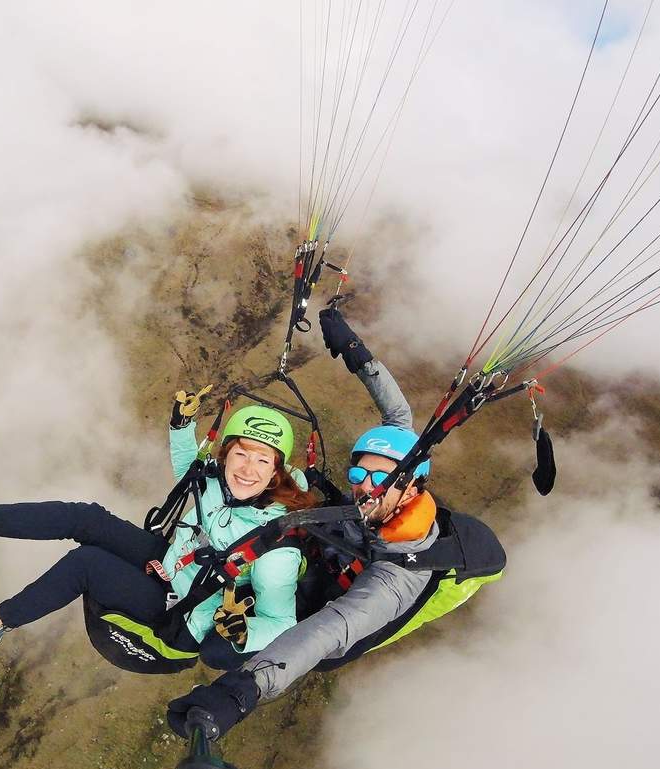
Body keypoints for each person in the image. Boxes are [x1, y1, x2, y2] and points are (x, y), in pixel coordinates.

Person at [165, 308, 505, 736]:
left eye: (381, 478)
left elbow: (330, 631)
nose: (366, 486)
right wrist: (356, 353)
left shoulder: (397, 578)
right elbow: (397, 415)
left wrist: (241, 690)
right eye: (360, 473)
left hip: (333, 611)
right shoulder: (395, 476)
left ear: (413, 487)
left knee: (217, 651)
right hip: (331, 555)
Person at [0, 395, 319, 672]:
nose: (248, 469)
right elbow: (191, 477)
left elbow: (281, 620)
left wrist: (243, 632)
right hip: (169, 567)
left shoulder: (275, 549)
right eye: (241, 455)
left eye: (262, 460)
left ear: (276, 471)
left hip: (181, 618)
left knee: (87, 564)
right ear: (226, 454)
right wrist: (182, 426)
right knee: (86, 518)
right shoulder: (223, 484)